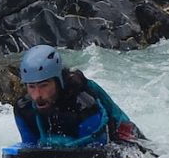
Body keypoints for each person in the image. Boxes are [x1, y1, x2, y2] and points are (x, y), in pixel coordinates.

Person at [13, 44, 143, 147]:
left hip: (120, 139)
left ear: (58, 82)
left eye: (44, 85)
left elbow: (96, 149)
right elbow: (30, 147)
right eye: (31, 87)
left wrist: (54, 144)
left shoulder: (84, 106)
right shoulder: (23, 108)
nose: (37, 95)